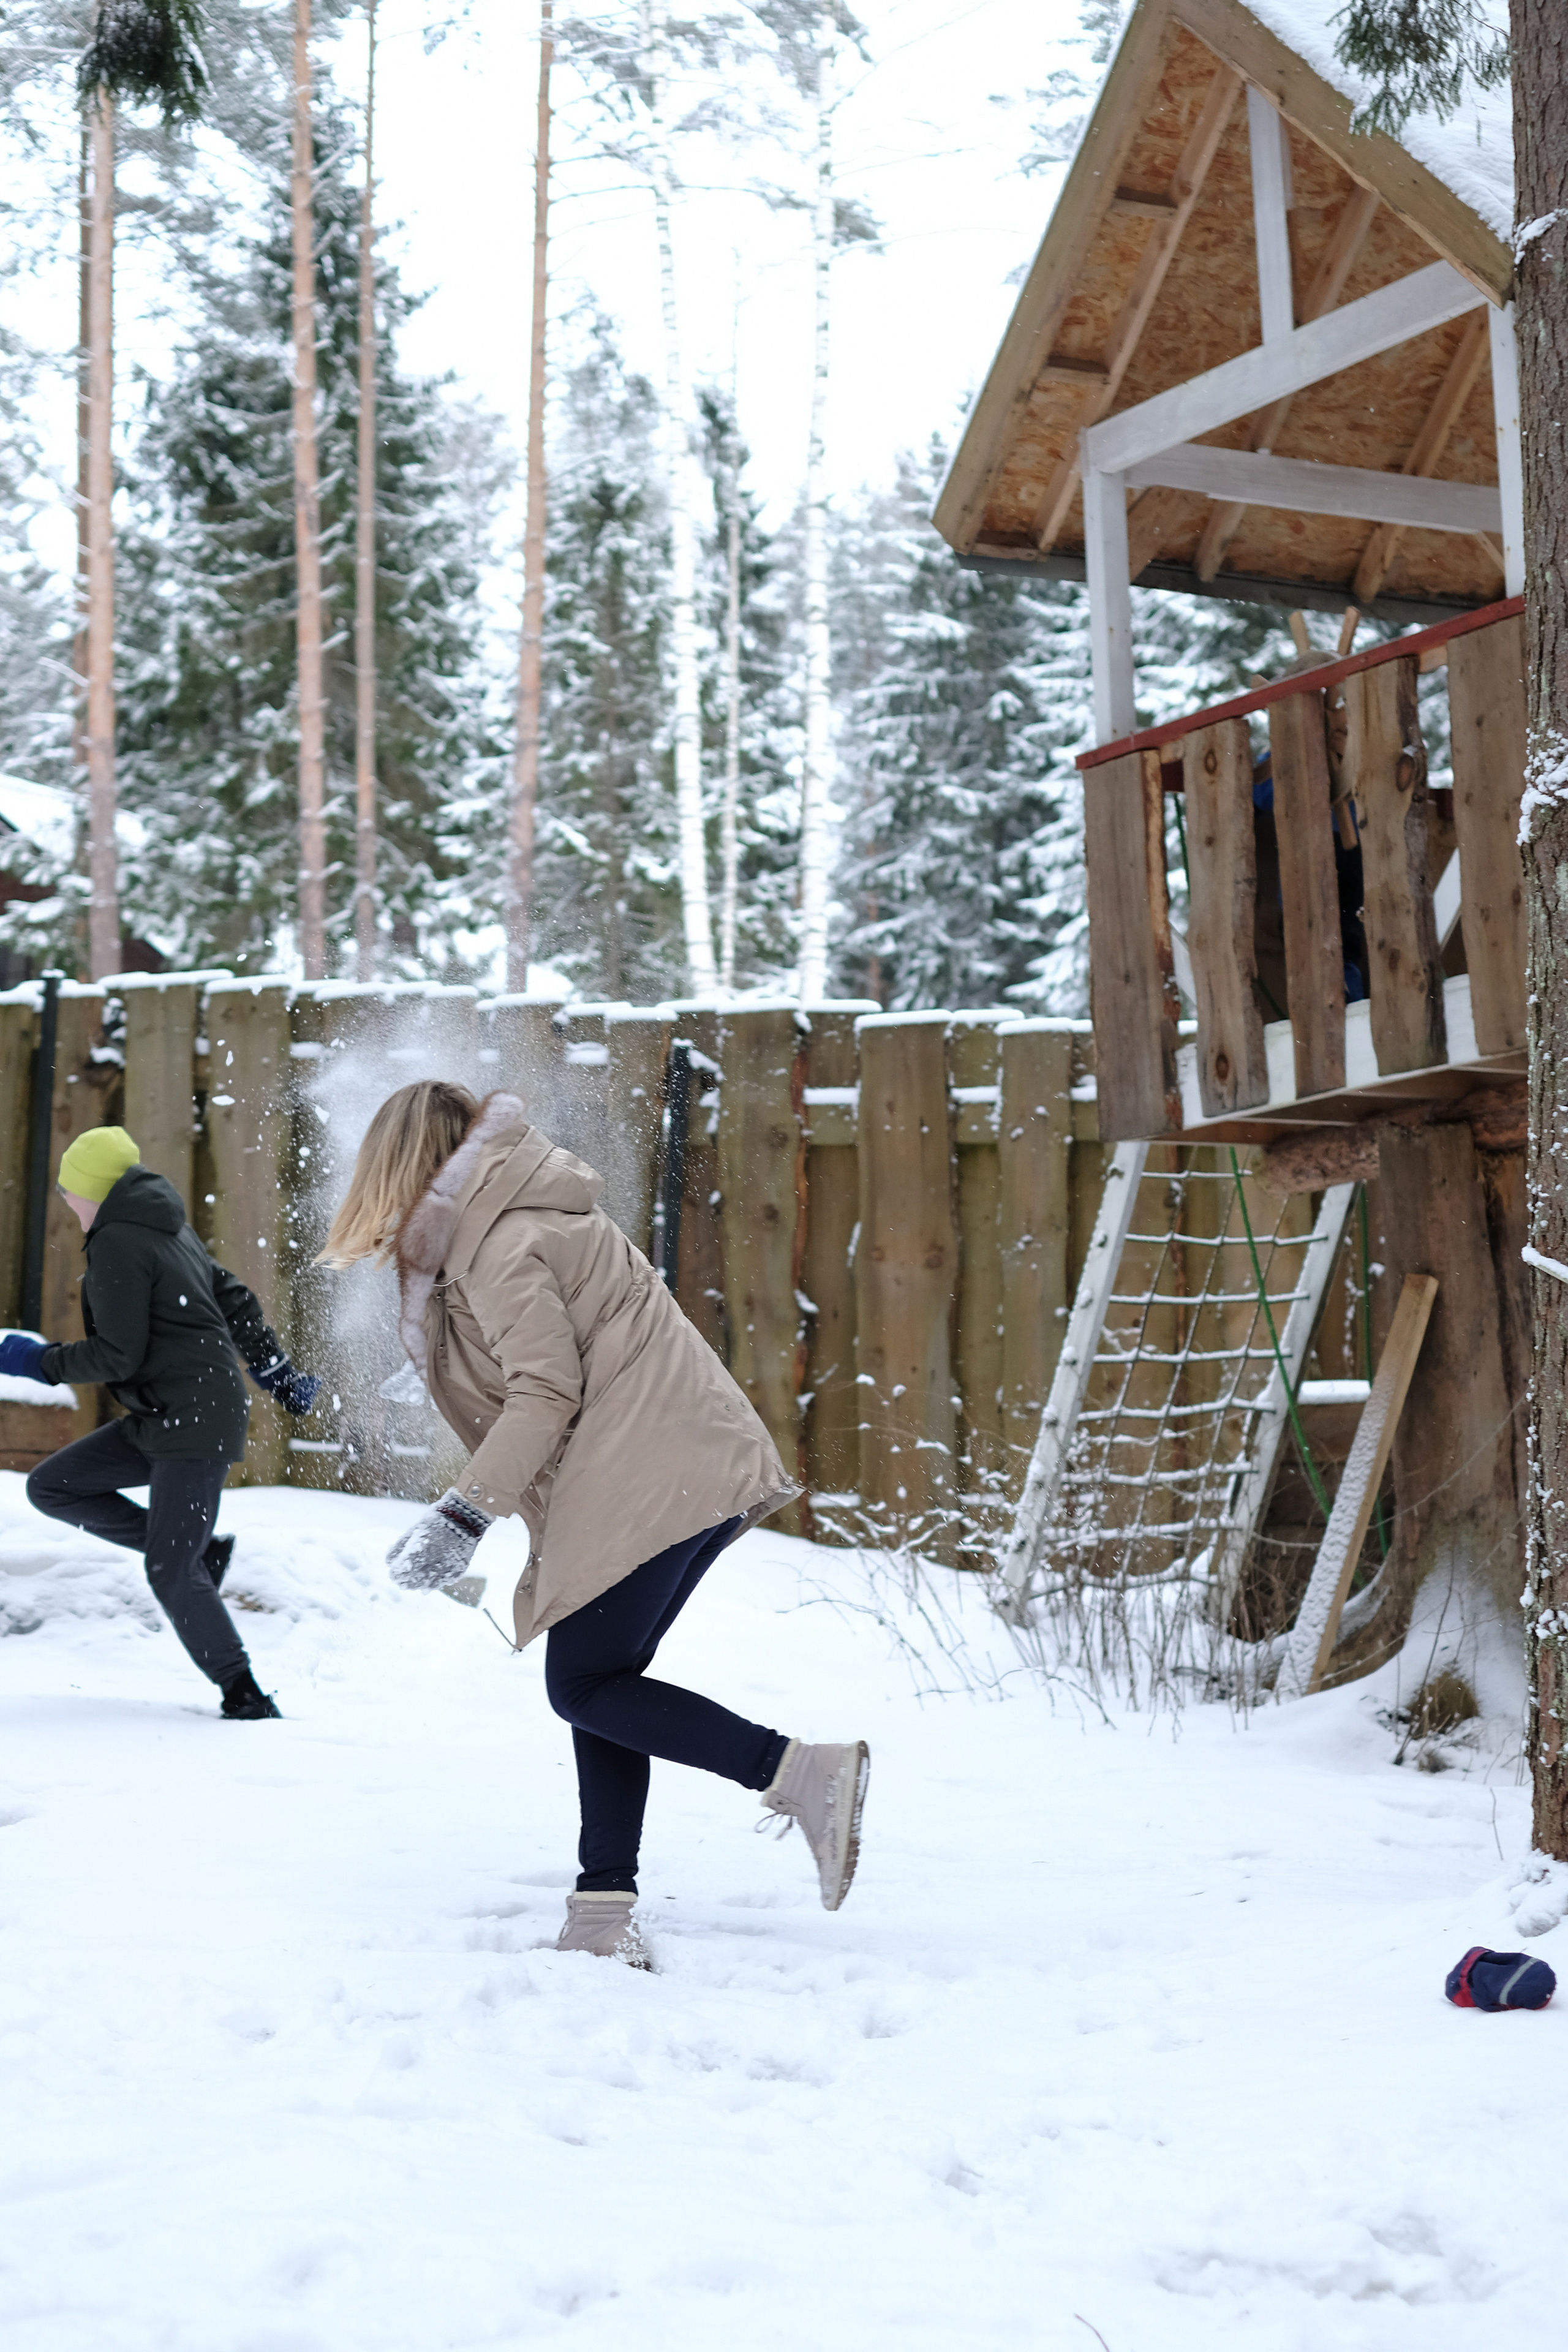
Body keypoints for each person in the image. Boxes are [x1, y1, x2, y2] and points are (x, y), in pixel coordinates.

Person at [318, 1082, 870, 1967]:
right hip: (672, 1459)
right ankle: (603, 1911)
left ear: (400, 1167)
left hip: (653, 1467)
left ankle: (801, 1773)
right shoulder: (508, 1215)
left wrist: (463, 1515)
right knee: (603, 1685)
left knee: (584, 1687)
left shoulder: (499, 1240)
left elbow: (547, 1390)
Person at [0, 1125, 321, 1719]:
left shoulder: (120, 1239)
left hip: (192, 1420)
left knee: (170, 1570)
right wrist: (275, 1370)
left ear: (92, 1192)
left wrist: (32, 1360)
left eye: (70, 1191)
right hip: (166, 1413)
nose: (67, 1202)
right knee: (54, 1486)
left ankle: (243, 1693)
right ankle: (203, 1559)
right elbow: (236, 1299)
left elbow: (117, 1355)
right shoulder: (166, 1227)